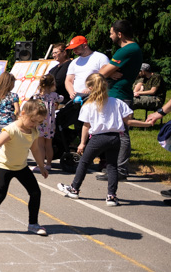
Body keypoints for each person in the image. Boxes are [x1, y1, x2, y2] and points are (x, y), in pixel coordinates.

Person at [57, 73, 151, 206]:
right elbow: (129, 121)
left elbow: (86, 126)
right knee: (112, 166)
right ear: (106, 85)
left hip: (98, 138)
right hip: (115, 137)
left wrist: (82, 143)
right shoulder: (117, 102)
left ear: (89, 87)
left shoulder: (88, 105)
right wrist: (146, 124)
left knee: (84, 162)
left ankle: (74, 189)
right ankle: (111, 196)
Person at [0, 98, 49, 237]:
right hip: (4, 167)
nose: (35, 124)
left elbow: (35, 150)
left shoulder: (33, 131)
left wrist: (41, 166)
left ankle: (33, 224)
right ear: (23, 113)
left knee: (35, 192)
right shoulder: (11, 130)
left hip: (21, 167)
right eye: (33, 121)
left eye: (39, 122)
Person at [96, 20, 142, 180]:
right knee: (114, 133)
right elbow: (104, 71)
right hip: (117, 94)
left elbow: (101, 73)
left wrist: (107, 72)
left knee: (121, 134)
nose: (110, 36)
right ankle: (114, 168)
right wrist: (108, 72)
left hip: (120, 95)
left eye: (111, 33)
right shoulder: (130, 49)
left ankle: (120, 171)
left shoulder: (127, 50)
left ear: (119, 34)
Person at [33, 74, 63, 171]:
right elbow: (61, 98)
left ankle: (40, 165)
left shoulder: (37, 96)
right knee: (48, 144)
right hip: (51, 123)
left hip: (40, 121)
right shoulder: (54, 95)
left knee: (40, 144)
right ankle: (49, 164)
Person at [64, 35, 109, 100]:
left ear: (85, 45)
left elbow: (105, 77)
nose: (74, 50)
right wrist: (71, 92)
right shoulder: (74, 62)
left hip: (96, 96)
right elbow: (68, 80)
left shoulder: (100, 58)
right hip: (78, 98)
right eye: (73, 48)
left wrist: (92, 88)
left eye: (76, 47)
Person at [0, 72, 21, 137]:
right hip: (9, 123)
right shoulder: (13, 96)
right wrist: (15, 118)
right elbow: (17, 110)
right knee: (8, 144)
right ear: (10, 84)